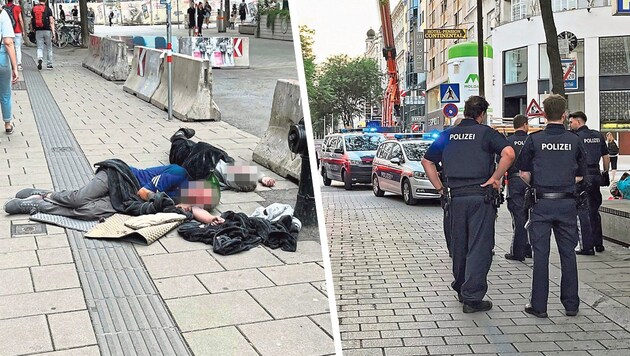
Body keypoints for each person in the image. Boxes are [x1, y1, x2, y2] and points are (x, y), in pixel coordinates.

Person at [421, 96, 515, 313]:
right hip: (480, 197)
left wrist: (439, 188)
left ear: (465, 111)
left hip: (454, 198)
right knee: (479, 247)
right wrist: (495, 177)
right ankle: (472, 298)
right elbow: (509, 154)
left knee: (459, 245)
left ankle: (462, 287)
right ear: (481, 115)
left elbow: (427, 161)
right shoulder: (486, 133)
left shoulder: (447, 135)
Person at [515, 94, 587, 318]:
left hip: (542, 203)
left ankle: (539, 306)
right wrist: (564, 182)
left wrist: (539, 184)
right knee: (568, 254)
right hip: (567, 203)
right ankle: (571, 304)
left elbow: (523, 173)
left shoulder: (534, 140)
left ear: (544, 114)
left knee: (541, 255)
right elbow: (580, 175)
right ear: (564, 115)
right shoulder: (574, 140)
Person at [169, 128, 276, 193]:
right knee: (183, 146)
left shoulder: (217, 179)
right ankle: (180, 136)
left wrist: (262, 178)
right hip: (200, 152)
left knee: (179, 147)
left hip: (189, 155)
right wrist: (263, 177)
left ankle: (179, 135)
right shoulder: (229, 167)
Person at [569, 111, 609, 255]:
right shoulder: (598, 135)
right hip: (596, 175)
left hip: (583, 177)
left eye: (571, 122)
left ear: (579, 122)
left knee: (582, 211)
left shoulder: (575, 137)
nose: (570, 124)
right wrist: (605, 173)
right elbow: (606, 156)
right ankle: (599, 244)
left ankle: (587, 246)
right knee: (594, 210)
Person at [504, 114, 532, 261]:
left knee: (519, 217)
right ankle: (529, 249)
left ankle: (517, 251)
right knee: (530, 216)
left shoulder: (508, 142)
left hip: (514, 182)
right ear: (525, 125)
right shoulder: (531, 140)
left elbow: (500, 162)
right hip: (530, 182)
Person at [1, 3, 19, 135]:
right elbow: (8, 42)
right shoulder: (3, 15)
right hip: (1, 62)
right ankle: (7, 124)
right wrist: (15, 67)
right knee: (5, 93)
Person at [32, 0, 54, 70]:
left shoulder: (34, 9)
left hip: (38, 31)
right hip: (47, 30)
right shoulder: (48, 9)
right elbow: (51, 21)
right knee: (49, 47)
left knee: (39, 47)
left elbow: (31, 20)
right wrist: (53, 32)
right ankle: (49, 64)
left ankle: (40, 58)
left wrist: (32, 29)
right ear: (46, 1)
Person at [4, 0, 24, 72]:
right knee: (18, 48)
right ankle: (19, 65)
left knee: (8, 47)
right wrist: (23, 30)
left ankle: (10, 64)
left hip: (8, 31)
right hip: (17, 30)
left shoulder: (4, 9)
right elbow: (20, 20)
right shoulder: (17, 8)